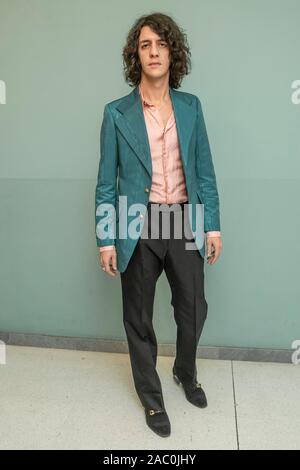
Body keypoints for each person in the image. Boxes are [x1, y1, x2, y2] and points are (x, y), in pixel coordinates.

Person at [95, 12, 222, 438]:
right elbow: (105, 183)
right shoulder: (116, 114)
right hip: (138, 223)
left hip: (185, 217)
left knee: (194, 310)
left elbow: (205, 171)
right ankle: (152, 401)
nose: (154, 52)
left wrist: (213, 227)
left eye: (161, 44)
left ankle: (185, 372)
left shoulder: (191, 107)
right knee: (139, 317)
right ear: (137, 53)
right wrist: (105, 239)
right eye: (146, 44)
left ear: (172, 53)